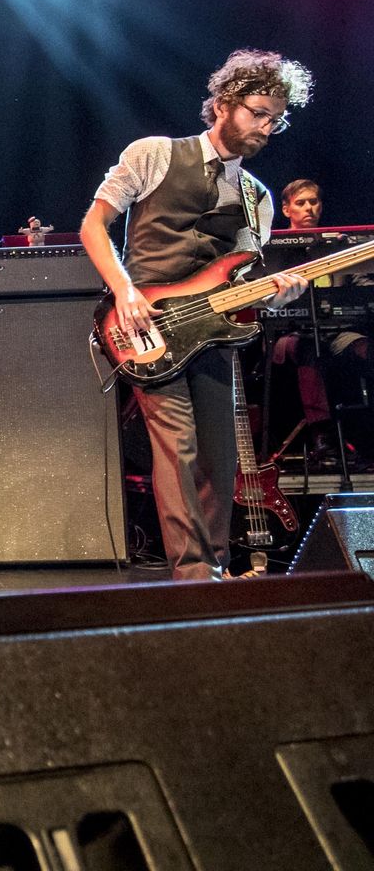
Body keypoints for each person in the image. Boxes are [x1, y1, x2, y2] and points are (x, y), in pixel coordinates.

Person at [80, 50, 312, 580]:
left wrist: (275, 296)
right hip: (147, 325)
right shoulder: (155, 153)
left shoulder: (257, 197)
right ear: (225, 103)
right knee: (178, 447)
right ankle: (193, 576)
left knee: (219, 459)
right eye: (258, 113)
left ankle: (216, 572)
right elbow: (94, 225)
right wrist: (124, 291)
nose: (266, 128)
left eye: (275, 120)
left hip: (214, 337)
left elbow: (242, 284)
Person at [268, 179, 372, 468]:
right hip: (288, 334)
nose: (309, 208)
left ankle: (366, 437)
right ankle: (322, 436)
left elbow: (361, 285)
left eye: (313, 202)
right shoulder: (275, 250)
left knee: (366, 349)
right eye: (301, 203)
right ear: (286, 209)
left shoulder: (337, 246)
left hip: (337, 331)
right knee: (308, 348)